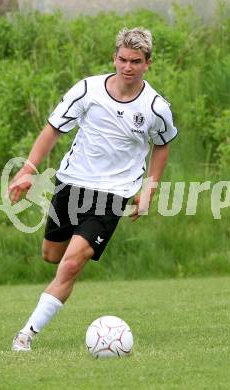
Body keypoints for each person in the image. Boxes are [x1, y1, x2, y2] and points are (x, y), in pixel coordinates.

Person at [10, 27, 178, 351]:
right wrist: (28, 170)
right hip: (72, 184)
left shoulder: (156, 108)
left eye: (136, 61)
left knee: (71, 265)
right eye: (123, 59)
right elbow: (53, 130)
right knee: (52, 256)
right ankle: (58, 284)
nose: (128, 67)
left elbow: (163, 145)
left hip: (113, 194)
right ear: (114, 58)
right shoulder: (88, 90)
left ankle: (26, 334)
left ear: (148, 63)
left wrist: (149, 190)